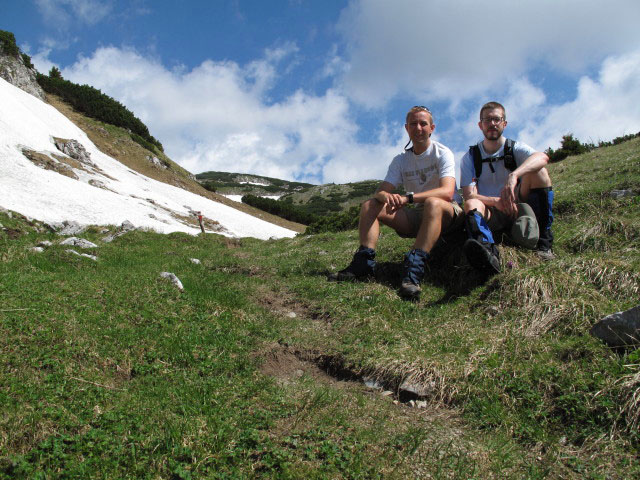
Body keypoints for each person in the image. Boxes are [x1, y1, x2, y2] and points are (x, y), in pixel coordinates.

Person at [328, 106, 463, 300]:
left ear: (432, 128)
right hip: (419, 216)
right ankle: (363, 266)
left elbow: (447, 192)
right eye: (413, 124)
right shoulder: (401, 160)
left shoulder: (443, 153)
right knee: (369, 205)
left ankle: (413, 272)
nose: (418, 128)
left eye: (423, 123)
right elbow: (381, 190)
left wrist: (408, 198)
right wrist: (384, 197)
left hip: (449, 214)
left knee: (434, 202)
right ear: (406, 128)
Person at [460, 101, 555, 274]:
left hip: (517, 205)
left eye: (497, 119)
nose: (492, 124)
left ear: (504, 123)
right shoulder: (470, 157)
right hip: (490, 211)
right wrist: (495, 201)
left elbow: (542, 157)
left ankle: (544, 242)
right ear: (480, 125)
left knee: (539, 172)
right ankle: (487, 251)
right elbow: (468, 195)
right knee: (471, 205)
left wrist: (514, 175)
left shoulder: (514, 147)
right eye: (487, 120)